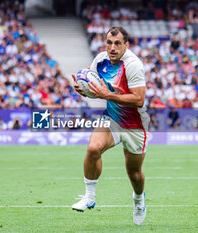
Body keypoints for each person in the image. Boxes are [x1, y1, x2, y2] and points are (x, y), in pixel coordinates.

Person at [71, 26, 149, 225]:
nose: (112, 47)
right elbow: (90, 80)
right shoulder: (100, 60)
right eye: (108, 42)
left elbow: (139, 99)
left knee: (134, 173)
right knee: (92, 148)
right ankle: (89, 197)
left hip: (135, 125)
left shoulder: (133, 65)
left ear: (126, 45)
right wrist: (81, 88)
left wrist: (107, 95)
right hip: (112, 118)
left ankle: (139, 200)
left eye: (117, 44)